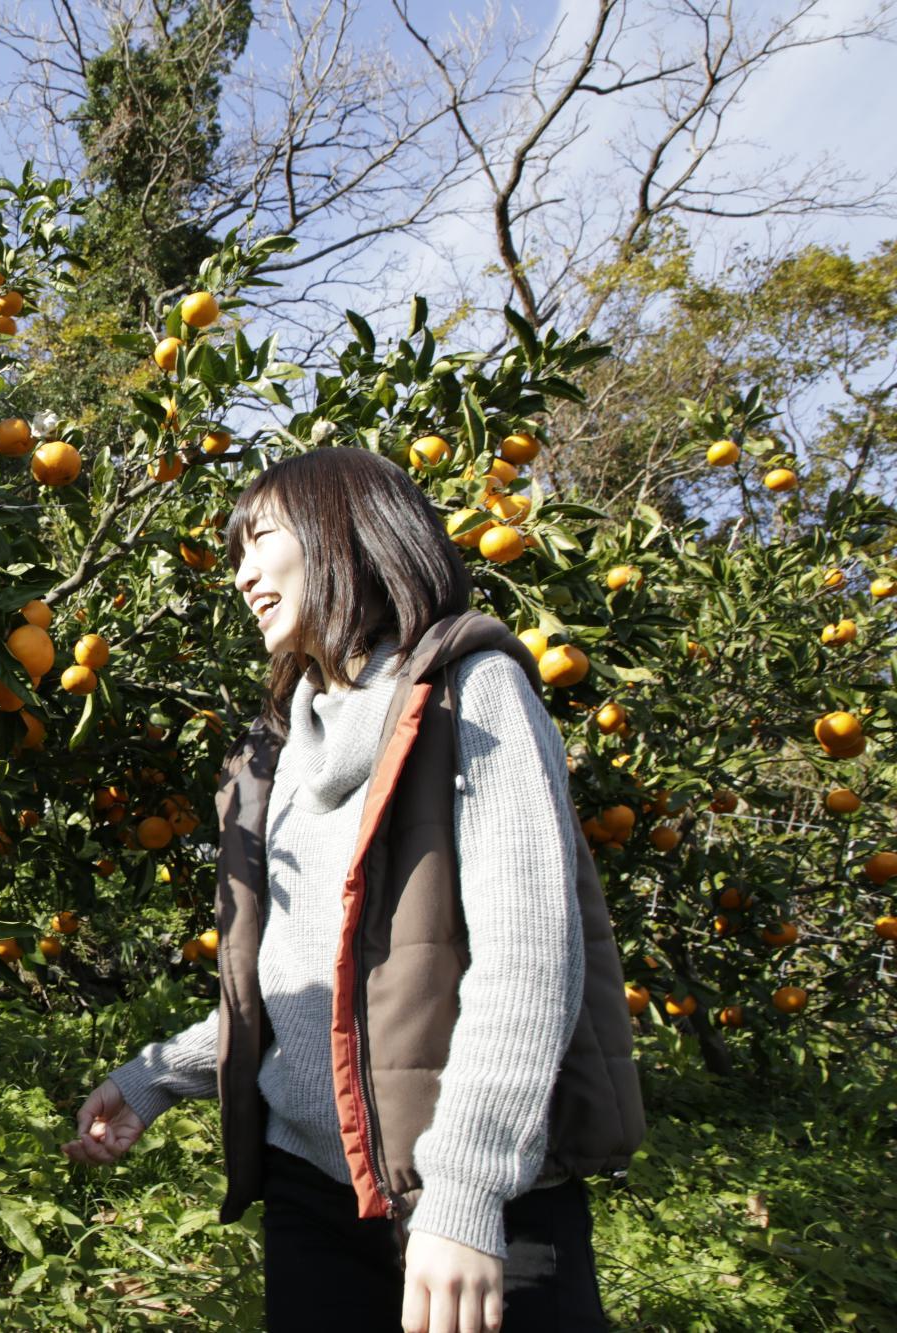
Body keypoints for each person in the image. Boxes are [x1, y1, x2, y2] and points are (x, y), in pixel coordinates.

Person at [63, 447, 643, 1332]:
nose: (244, 576)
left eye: (260, 542)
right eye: (235, 558)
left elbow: (529, 963)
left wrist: (466, 1188)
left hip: (461, 1204)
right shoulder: (282, 754)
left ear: (346, 532)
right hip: (311, 1195)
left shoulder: (470, 690)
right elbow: (309, 987)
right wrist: (158, 1076)